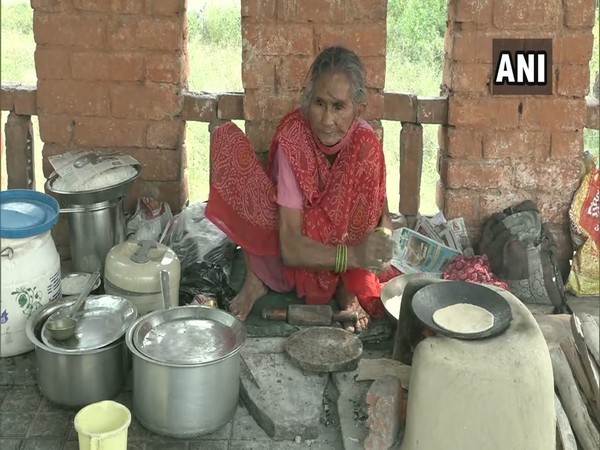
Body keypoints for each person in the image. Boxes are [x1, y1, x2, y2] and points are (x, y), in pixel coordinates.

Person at [206, 45, 395, 332]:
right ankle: (259, 277)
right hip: (295, 240)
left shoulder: (364, 143)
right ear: (308, 102)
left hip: (340, 244)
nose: (327, 120)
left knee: (368, 156)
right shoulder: (294, 140)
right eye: (319, 104)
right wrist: (355, 256)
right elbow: (291, 247)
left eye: (338, 107)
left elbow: (383, 216)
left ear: (358, 110)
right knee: (229, 146)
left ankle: (346, 287)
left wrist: (381, 241)